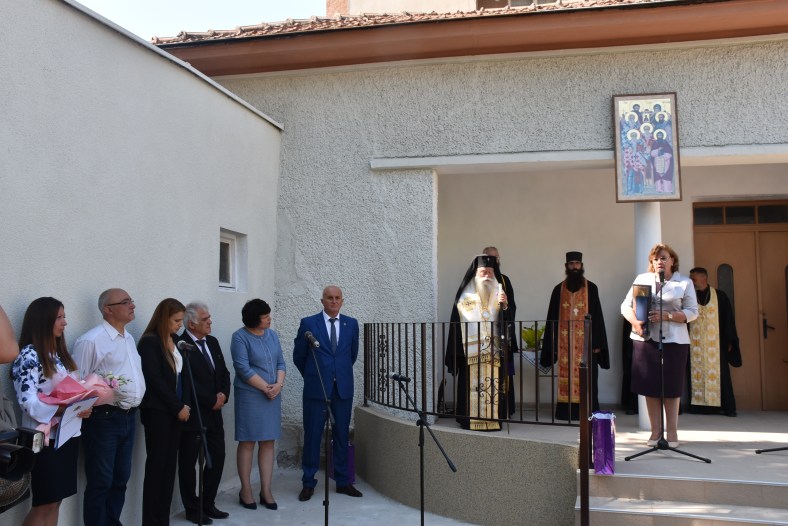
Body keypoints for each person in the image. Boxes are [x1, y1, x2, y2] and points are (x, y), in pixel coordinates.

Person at [11, 297, 92, 526]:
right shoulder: (29, 355)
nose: (65, 322)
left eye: (64, 317)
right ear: (43, 320)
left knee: (56, 500)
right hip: (43, 439)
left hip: (66, 435)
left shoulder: (57, 355)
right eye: (59, 317)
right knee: (44, 502)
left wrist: (81, 408)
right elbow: (27, 402)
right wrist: (62, 408)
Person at [73, 288, 146, 526]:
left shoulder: (129, 338)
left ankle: (112, 522)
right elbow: (78, 382)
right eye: (125, 302)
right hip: (104, 419)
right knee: (101, 481)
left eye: (131, 300)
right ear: (108, 309)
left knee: (120, 478)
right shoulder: (91, 340)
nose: (132, 305)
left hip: (129, 417)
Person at [621, 243, 698, 447]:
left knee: (671, 387)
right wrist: (635, 323)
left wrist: (668, 316)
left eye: (664, 258)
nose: (659, 262)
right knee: (650, 387)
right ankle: (655, 432)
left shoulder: (684, 282)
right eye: (655, 259)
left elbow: (693, 312)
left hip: (674, 341)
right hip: (646, 340)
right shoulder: (642, 279)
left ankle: (671, 433)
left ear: (672, 260)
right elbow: (625, 306)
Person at [293, 286, 361, 501]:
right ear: (322, 301)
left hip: (342, 389)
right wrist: (314, 375)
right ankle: (308, 482)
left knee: (341, 435)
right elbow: (299, 356)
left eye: (337, 298)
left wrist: (337, 374)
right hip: (316, 390)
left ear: (342, 301)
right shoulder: (309, 323)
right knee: (313, 435)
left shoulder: (351, 324)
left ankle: (342, 481)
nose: (333, 301)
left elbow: (351, 355)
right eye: (329, 298)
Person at [137, 298, 191, 526]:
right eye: (176, 320)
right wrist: (177, 406)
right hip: (158, 412)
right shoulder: (150, 342)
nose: (180, 325)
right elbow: (155, 380)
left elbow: (184, 376)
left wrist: (185, 405)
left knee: (169, 469)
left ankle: (163, 519)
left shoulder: (177, 341)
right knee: (157, 468)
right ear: (163, 318)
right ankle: (151, 521)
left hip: (177, 412)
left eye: (181, 320)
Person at [444, 255, 512, 431]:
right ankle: (469, 420)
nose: (487, 276)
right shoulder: (464, 297)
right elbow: (457, 324)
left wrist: (505, 306)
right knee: (469, 386)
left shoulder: (499, 292)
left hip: (494, 350)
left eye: (490, 272)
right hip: (470, 352)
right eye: (483, 272)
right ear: (475, 274)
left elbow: (507, 321)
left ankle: (493, 420)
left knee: (494, 385)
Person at [177, 302, 231, 523]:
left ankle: (208, 503)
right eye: (205, 319)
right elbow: (187, 381)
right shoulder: (181, 345)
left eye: (209, 317)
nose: (210, 322)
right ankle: (192, 508)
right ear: (191, 324)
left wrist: (223, 394)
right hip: (195, 413)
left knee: (217, 458)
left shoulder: (213, 342)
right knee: (188, 463)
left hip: (215, 414)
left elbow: (224, 373)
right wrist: (211, 400)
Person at [230, 299, 286, 511]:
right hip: (251, 396)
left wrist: (278, 385)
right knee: (247, 441)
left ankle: (266, 490)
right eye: (265, 317)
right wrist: (266, 388)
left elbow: (281, 362)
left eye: (269, 315)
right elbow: (243, 368)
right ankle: (246, 490)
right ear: (254, 319)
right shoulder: (239, 337)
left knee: (268, 441)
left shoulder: (272, 335)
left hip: (272, 394)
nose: (269, 319)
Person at [541, 251, 610, 420]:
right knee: (566, 377)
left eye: (577, 263)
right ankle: (565, 413)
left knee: (588, 378)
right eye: (571, 264)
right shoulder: (558, 290)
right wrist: (552, 345)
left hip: (586, 345)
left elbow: (598, 318)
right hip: (564, 346)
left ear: (581, 265)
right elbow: (552, 319)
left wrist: (597, 344)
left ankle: (588, 411)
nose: (574, 267)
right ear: (566, 266)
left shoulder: (591, 288)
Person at [688, 267, 741, 417]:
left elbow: (728, 319)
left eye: (693, 279)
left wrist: (730, 340)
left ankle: (727, 407)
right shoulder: (690, 297)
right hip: (695, 345)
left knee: (721, 375)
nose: (691, 281)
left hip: (716, 345)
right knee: (696, 374)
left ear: (703, 278)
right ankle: (699, 407)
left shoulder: (720, 296)